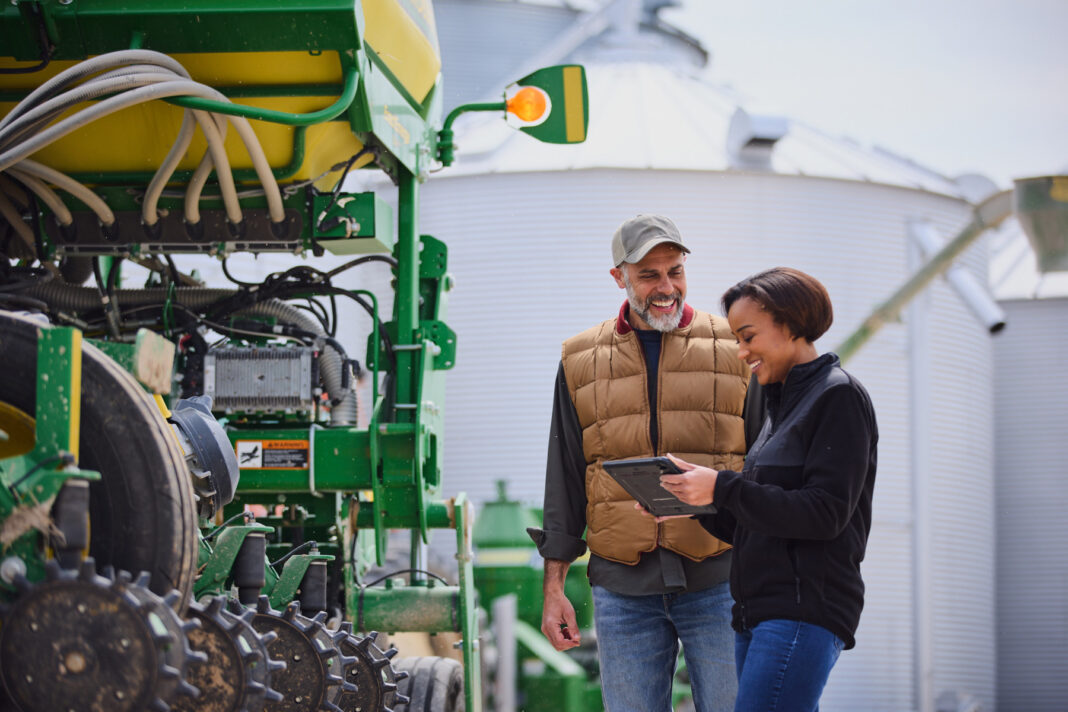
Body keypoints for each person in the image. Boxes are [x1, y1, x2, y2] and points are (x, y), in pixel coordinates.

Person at [527, 214, 761, 712]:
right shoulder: (579, 358)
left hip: (720, 579)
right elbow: (566, 478)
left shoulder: (736, 350)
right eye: (650, 275)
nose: (666, 287)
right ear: (620, 276)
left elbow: (768, 467)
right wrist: (554, 589)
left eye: (674, 271)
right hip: (622, 589)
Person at [652, 267, 878, 712]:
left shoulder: (838, 397)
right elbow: (761, 523)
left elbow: (825, 513)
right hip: (758, 614)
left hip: (801, 610)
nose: (741, 352)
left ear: (791, 324)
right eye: (737, 338)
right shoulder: (780, 410)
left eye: (749, 336)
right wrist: (694, 502)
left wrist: (722, 486)